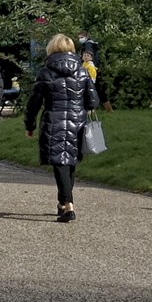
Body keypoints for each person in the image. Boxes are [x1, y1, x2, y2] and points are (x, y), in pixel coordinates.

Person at [24, 33, 99, 223]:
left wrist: (30, 124)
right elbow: (93, 101)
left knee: (60, 161)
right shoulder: (82, 72)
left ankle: (68, 204)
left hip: (54, 119)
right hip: (77, 121)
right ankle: (63, 202)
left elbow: (34, 102)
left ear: (52, 49)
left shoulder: (45, 72)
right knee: (70, 161)